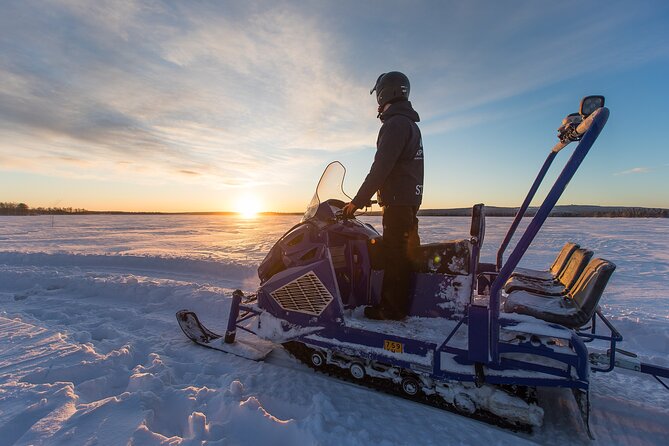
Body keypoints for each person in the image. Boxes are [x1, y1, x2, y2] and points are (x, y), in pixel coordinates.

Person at [342, 71, 424, 320]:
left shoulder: (396, 123)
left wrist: (357, 200)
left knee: (395, 254)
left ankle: (391, 309)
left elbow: (382, 166)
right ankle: (405, 304)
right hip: (408, 199)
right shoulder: (408, 123)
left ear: (384, 93)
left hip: (398, 202)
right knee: (405, 253)